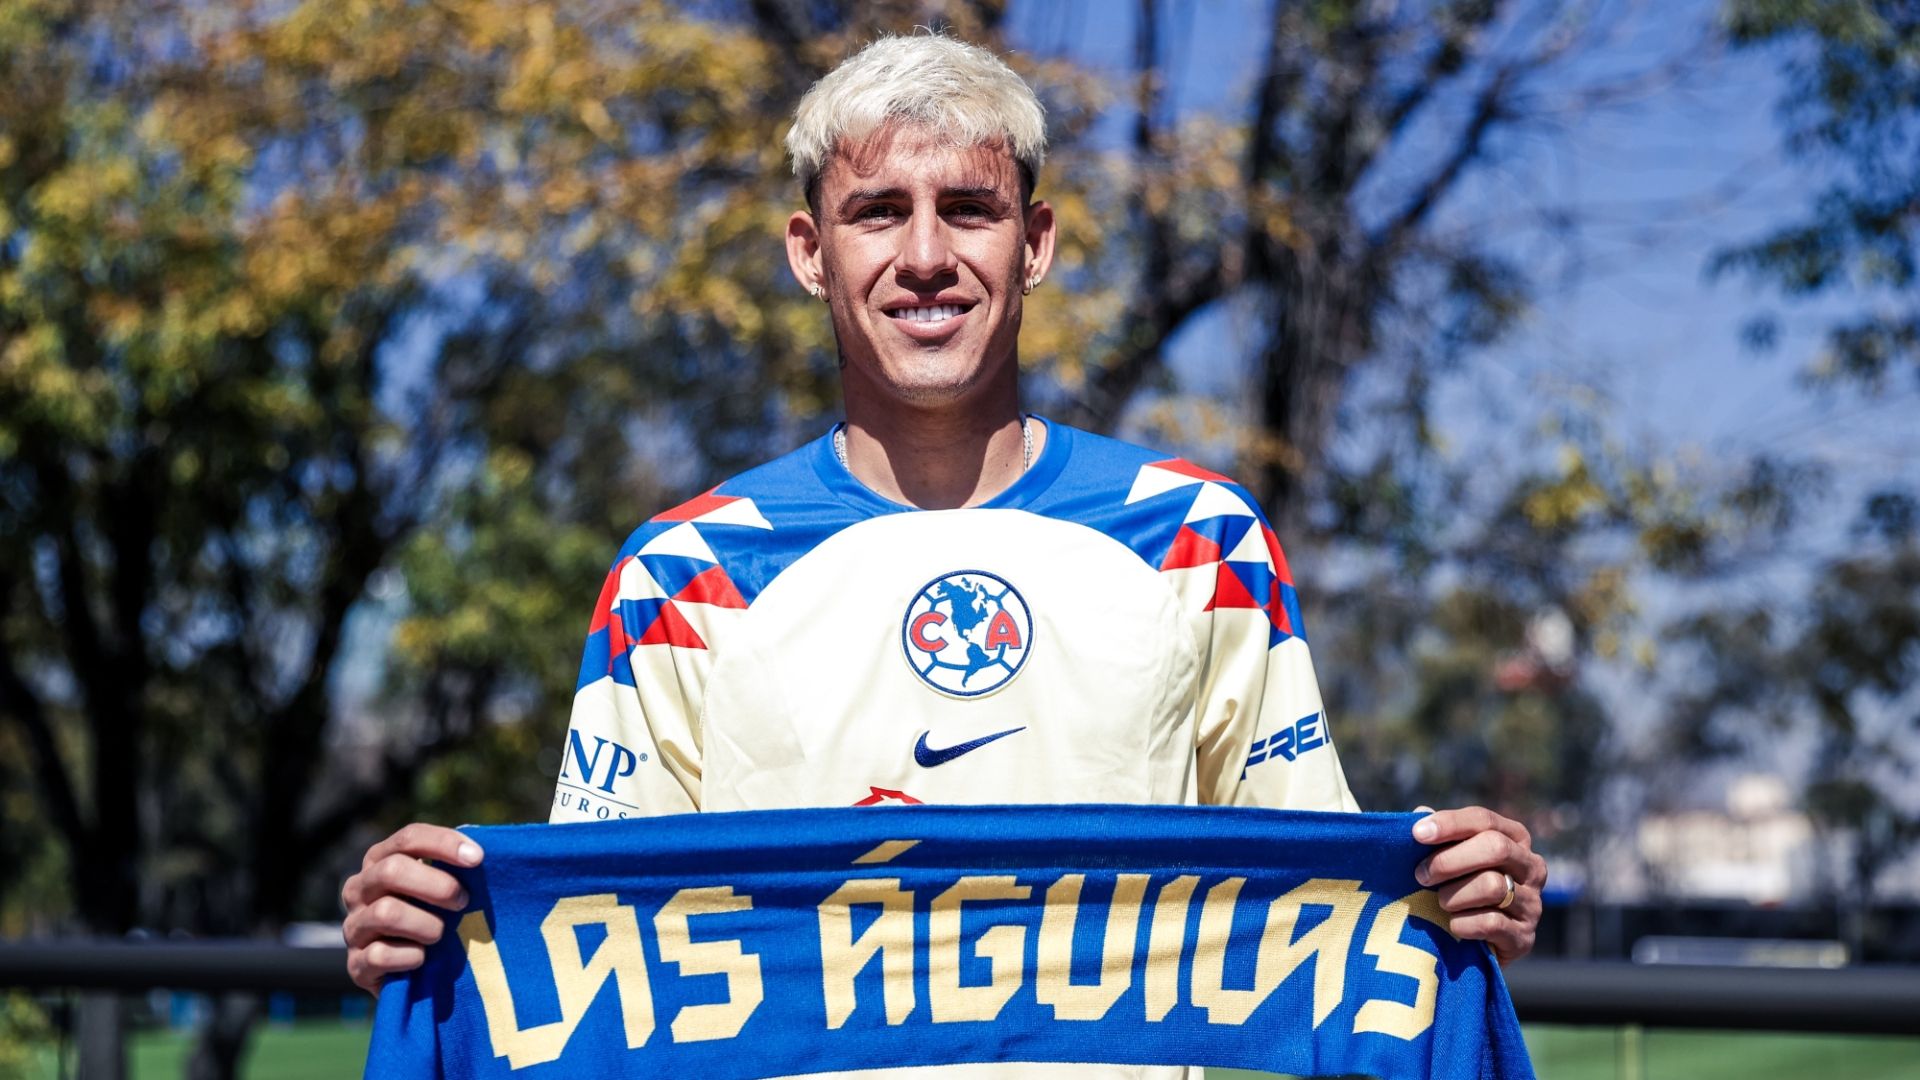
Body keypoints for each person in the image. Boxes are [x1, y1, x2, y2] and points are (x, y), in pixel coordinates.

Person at [340, 33, 1547, 1078]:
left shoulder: (1200, 540)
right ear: (813, 254)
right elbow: (586, 950)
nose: (926, 257)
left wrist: (1457, 890)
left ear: (1035, 244)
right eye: (879, 213)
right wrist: (436, 926)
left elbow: (1329, 911)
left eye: (967, 209)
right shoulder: (685, 571)